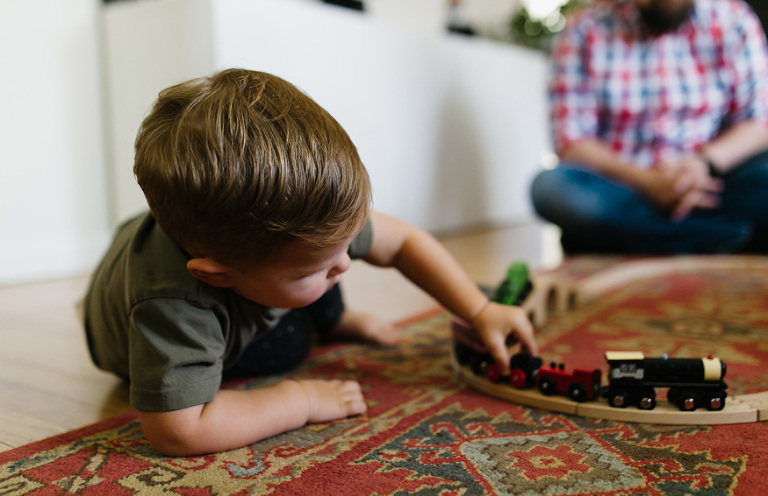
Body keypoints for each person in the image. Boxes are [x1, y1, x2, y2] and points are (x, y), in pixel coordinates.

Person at [83, 68, 537, 457]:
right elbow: (178, 431)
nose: (346, 265)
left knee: (319, 271)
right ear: (218, 274)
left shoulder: (306, 222)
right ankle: (317, 315)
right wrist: (297, 400)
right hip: (129, 342)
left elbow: (404, 244)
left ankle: (329, 313)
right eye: (314, 265)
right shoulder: (176, 305)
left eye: (347, 243)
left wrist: (479, 309)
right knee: (291, 344)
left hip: (241, 274)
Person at [530, 0, 768, 254]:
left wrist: (702, 164)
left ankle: (641, 239)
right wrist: (650, 182)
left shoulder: (734, 19)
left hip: (709, 183)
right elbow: (571, 142)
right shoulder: (584, 29)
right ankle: (720, 237)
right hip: (625, 188)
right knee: (551, 187)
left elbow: (759, 124)